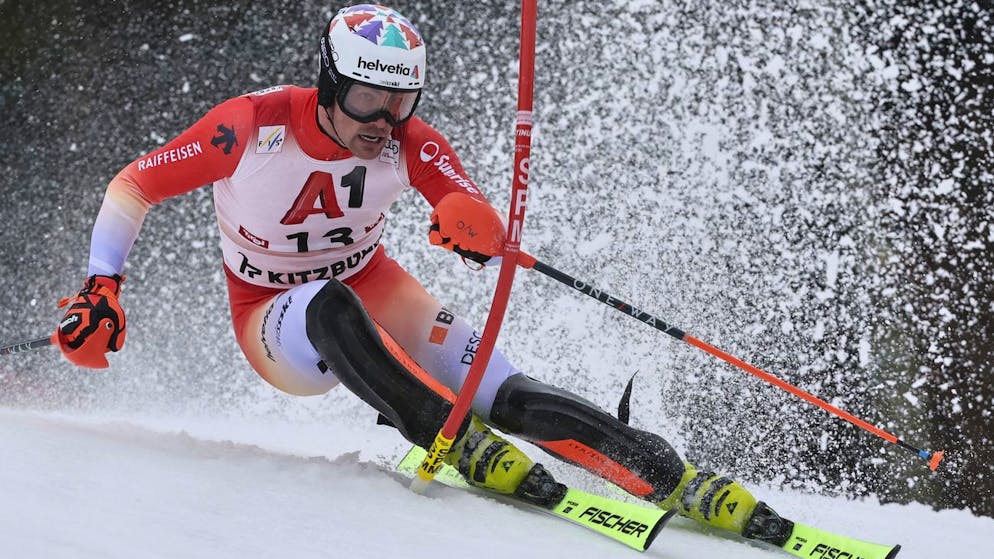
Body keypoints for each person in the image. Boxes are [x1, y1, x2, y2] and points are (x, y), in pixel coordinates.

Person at [53, 4, 789, 545]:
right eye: (367, 99)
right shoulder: (251, 125)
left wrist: (470, 226)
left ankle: (672, 475)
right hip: (272, 316)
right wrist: (101, 286)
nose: (383, 120)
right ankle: (450, 435)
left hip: (375, 282)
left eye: (402, 102)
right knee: (330, 303)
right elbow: (133, 185)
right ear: (329, 83)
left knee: (500, 387)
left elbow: (468, 208)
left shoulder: (408, 141)